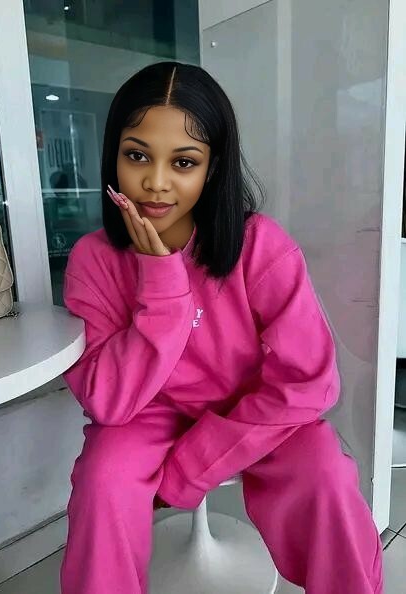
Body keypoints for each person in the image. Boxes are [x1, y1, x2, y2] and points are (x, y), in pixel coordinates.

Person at [60, 61, 384, 594]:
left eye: (183, 162)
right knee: (102, 481)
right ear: (112, 155)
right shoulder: (93, 259)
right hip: (144, 413)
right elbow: (107, 401)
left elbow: (307, 381)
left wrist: (192, 467)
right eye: (137, 155)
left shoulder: (260, 246)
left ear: (212, 168)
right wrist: (161, 281)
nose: (155, 181)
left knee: (325, 473)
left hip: (252, 408)